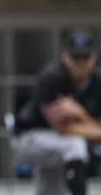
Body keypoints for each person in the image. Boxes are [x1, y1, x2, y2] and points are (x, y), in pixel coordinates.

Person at [13, 28, 101, 195]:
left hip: (58, 142)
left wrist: (80, 112)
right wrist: (92, 127)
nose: (80, 63)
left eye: (85, 57)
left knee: (51, 190)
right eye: (75, 57)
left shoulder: (98, 81)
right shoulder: (52, 77)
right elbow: (64, 129)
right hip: (31, 136)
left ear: (94, 57)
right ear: (64, 56)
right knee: (75, 144)